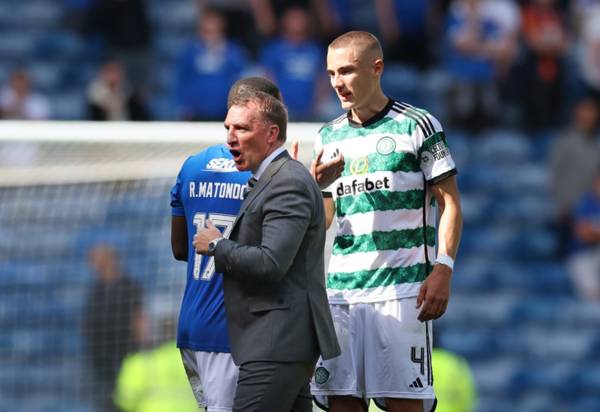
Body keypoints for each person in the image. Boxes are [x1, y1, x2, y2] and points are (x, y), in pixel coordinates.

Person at [310, 31, 463, 412]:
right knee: (341, 404)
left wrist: (443, 268)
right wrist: (314, 189)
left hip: (401, 293)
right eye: (331, 73)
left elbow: (451, 204)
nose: (337, 83)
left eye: (346, 71)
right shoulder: (327, 136)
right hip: (341, 294)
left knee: (403, 405)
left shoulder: (417, 125)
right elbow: (325, 220)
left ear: (376, 68)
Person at [193, 89, 340, 412]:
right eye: (227, 128)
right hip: (281, 344)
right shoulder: (272, 180)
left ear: (272, 134)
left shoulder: (287, 182)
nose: (231, 138)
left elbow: (272, 262)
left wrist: (216, 245)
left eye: (242, 129)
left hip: (277, 344)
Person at [170, 77, 285, 412]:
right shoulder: (264, 175)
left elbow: (181, 250)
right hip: (232, 331)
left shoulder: (191, 166)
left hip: (193, 326)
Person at [82, 244, 144, 412]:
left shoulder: (129, 286)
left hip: (126, 355)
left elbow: (138, 318)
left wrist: (141, 349)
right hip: (101, 359)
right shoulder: (96, 289)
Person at [174, 8, 248, 121]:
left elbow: (240, 80)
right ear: (199, 31)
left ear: (222, 30)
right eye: (207, 32)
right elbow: (182, 80)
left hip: (225, 113)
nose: (211, 37)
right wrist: (185, 106)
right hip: (196, 113)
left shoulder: (233, 52)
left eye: (215, 32)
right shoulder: (189, 52)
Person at [549, 98, 600, 258]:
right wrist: (562, 204)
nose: (588, 118)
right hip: (568, 209)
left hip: (591, 210)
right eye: (584, 113)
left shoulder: (597, 144)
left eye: (592, 114)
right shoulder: (565, 142)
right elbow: (555, 175)